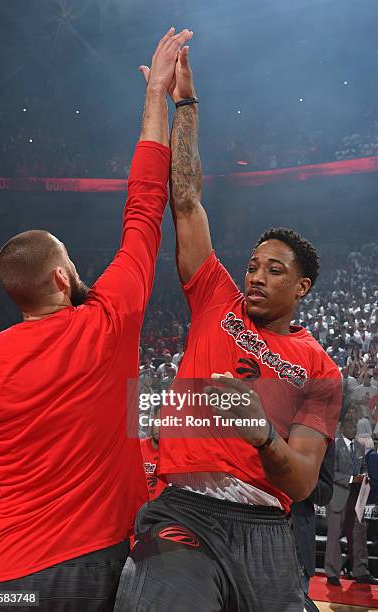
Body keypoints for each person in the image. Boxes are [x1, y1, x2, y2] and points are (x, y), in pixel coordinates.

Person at [0, 27, 193, 611]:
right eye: (71, 260)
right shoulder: (106, 321)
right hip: (89, 563)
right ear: (61, 278)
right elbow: (144, 204)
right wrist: (156, 100)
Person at [115, 44, 341, 612]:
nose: (256, 277)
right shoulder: (217, 297)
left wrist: (261, 432)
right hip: (185, 510)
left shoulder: (321, 370)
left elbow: (302, 485)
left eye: (275, 270)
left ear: (302, 288)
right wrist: (185, 103)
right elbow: (186, 201)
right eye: (252, 265)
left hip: (266, 527)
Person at [324, 418, 377, 586]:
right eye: (350, 425)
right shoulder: (334, 445)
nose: (353, 429)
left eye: (354, 426)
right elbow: (331, 473)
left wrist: (364, 477)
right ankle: (332, 573)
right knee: (334, 536)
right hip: (338, 497)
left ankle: (361, 571)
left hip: (357, 497)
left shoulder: (361, 447)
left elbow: (364, 469)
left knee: (359, 535)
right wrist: (352, 479)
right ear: (342, 427)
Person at [290, 441, 335, 594]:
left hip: (297, 540)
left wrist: (294, 470)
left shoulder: (320, 434)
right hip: (253, 541)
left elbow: (324, 494)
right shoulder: (258, 424)